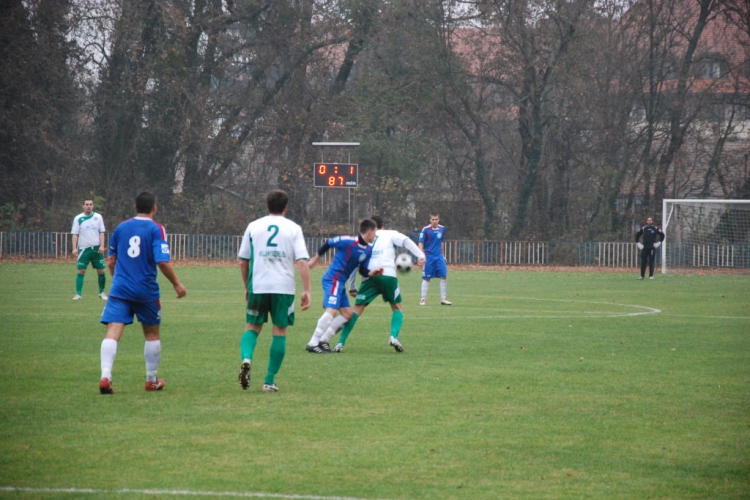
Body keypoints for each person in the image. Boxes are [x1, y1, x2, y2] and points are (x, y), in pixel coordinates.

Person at [97, 192, 187, 395]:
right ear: (154, 208)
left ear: (135, 207)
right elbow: (162, 261)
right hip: (145, 290)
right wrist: (177, 284)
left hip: (120, 289)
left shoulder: (121, 228)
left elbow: (111, 260)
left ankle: (105, 376)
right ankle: (151, 380)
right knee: (152, 333)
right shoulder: (157, 229)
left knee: (113, 331)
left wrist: (118, 280)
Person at [236, 190, 312, 392]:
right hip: (283, 287)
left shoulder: (253, 226)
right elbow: (302, 261)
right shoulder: (293, 228)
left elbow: (243, 261)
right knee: (280, 331)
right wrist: (307, 290)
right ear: (286, 208)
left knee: (252, 327)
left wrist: (246, 287)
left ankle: (246, 359)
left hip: (258, 285)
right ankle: (269, 381)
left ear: (267, 206)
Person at [330, 215, 425, 353]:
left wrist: (352, 287)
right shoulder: (390, 234)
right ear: (383, 226)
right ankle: (393, 336)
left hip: (369, 277)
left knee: (356, 311)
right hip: (387, 276)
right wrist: (421, 256)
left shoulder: (364, 239)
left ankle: (340, 343)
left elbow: (354, 263)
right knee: (397, 308)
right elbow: (406, 241)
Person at [305, 218, 383, 353]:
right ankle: (313, 342)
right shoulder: (349, 241)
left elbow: (362, 270)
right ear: (369, 232)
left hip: (341, 282)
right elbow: (328, 243)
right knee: (332, 311)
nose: (375, 236)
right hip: (333, 278)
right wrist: (314, 260)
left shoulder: (368, 250)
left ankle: (323, 340)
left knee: (347, 315)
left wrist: (372, 273)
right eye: (375, 232)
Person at [71, 199, 108, 300]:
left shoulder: (98, 217)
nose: (89, 206)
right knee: (81, 271)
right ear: (83, 206)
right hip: (84, 249)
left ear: (93, 206)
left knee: (101, 271)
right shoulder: (78, 218)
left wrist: (101, 246)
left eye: (90, 204)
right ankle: (78, 294)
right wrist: (74, 248)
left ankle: (101, 293)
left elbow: (101, 232)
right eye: (87, 204)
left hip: (96, 248)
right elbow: (75, 234)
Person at [419, 212, 451, 305]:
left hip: (439, 256)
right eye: (432, 219)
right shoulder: (425, 230)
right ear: (430, 220)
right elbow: (421, 243)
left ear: (438, 219)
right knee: (427, 278)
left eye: (436, 219)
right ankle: (423, 299)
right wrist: (421, 255)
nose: (434, 221)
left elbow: (441, 242)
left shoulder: (442, 229)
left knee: (443, 276)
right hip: (429, 256)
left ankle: (443, 299)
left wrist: (443, 254)